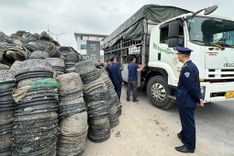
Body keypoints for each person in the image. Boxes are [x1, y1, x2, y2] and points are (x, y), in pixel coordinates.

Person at [174, 46, 204, 153]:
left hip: (186, 100)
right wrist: (200, 97)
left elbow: (191, 87)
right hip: (186, 100)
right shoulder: (192, 66)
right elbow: (197, 84)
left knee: (188, 123)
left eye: (178, 54)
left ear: (182, 55)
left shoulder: (187, 68)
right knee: (185, 121)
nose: (177, 56)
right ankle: (183, 135)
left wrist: (198, 100)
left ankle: (189, 146)